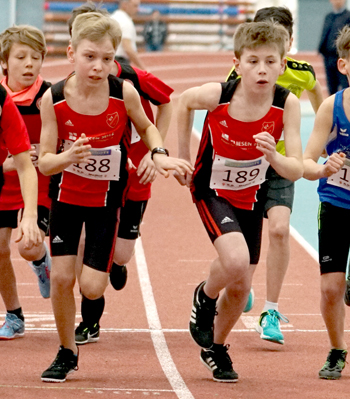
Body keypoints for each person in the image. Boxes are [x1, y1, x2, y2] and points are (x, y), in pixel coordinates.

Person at [39, 12, 192, 383]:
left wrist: (159, 154)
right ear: (72, 52)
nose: (98, 66)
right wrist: (67, 158)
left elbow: (147, 126)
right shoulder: (54, 99)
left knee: (91, 287)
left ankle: (96, 295)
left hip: (107, 203)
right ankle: (66, 351)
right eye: (90, 57)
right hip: (66, 199)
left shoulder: (123, 92)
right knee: (61, 279)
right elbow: (44, 162)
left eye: (107, 59)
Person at [175, 21, 303, 382]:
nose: (261, 69)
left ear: (282, 64)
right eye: (252, 61)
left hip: (252, 193)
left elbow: (293, 168)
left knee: (242, 286)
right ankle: (204, 295)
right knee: (234, 259)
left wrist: (274, 158)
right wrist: (182, 155)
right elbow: (183, 101)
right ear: (237, 63)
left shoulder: (286, 104)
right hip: (211, 188)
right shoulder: (220, 94)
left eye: (270, 61)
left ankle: (215, 347)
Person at [66, 1, 174, 345]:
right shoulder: (67, 86)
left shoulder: (130, 77)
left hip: (135, 173)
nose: (96, 62)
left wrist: (154, 153)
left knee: (121, 254)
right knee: (84, 248)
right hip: (96, 182)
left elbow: (167, 101)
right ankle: (90, 320)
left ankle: (115, 261)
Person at [227, 6, 324, 345]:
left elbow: (319, 100)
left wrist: (318, 140)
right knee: (244, 243)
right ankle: (244, 285)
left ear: (288, 43)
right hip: (245, 165)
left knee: (280, 230)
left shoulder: (300, 72)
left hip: (281, 163)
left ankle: (270, 311)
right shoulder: (240, 71)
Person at [303, 25, 350, 380]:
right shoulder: (331, 108)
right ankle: (336, 350)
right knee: (331, 288)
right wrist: (323, 167)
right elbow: (305, 163)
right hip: (335, 203)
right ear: (344, 66)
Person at [0, 25, 51, 340]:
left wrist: (46, 154)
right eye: (21, 57)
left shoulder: (50, 96)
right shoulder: (0, 98)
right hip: (4, 182)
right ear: (5, 62)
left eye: (36, 57)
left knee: (30, 248)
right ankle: (14, 314)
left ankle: (41, 260)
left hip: (40, 180)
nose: (29, 64)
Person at [318, 0, 350, 95]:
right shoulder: (328, 16)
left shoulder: (348, 16)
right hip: (328, 56)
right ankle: (332, 107)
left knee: (345, 84)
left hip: (341, 55)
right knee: (331, 86)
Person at [111, 0, 146, 70]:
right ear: (125, 5)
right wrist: (143, 68)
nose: (137, 9)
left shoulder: (112, 17)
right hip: (120, 61)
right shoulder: (125, 22)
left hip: (110, 58)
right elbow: (127, 47)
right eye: (135, 6)